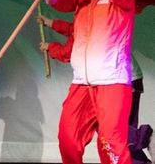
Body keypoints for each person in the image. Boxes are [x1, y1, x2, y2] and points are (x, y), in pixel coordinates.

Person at [43, 0, 135, 164]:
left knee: (111, 145)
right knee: (68, 139)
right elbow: (55, 0)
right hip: (82, 83)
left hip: (112, 82)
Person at [37, 15, 151, 164]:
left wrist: (50, 47)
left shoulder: (93, 21)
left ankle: (146, 137)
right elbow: (73, 29)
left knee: (112, 133)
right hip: (120, 79)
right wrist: (51, 22)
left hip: (120, 81)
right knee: (113, 137)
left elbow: (69, 52)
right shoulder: (90, 18)